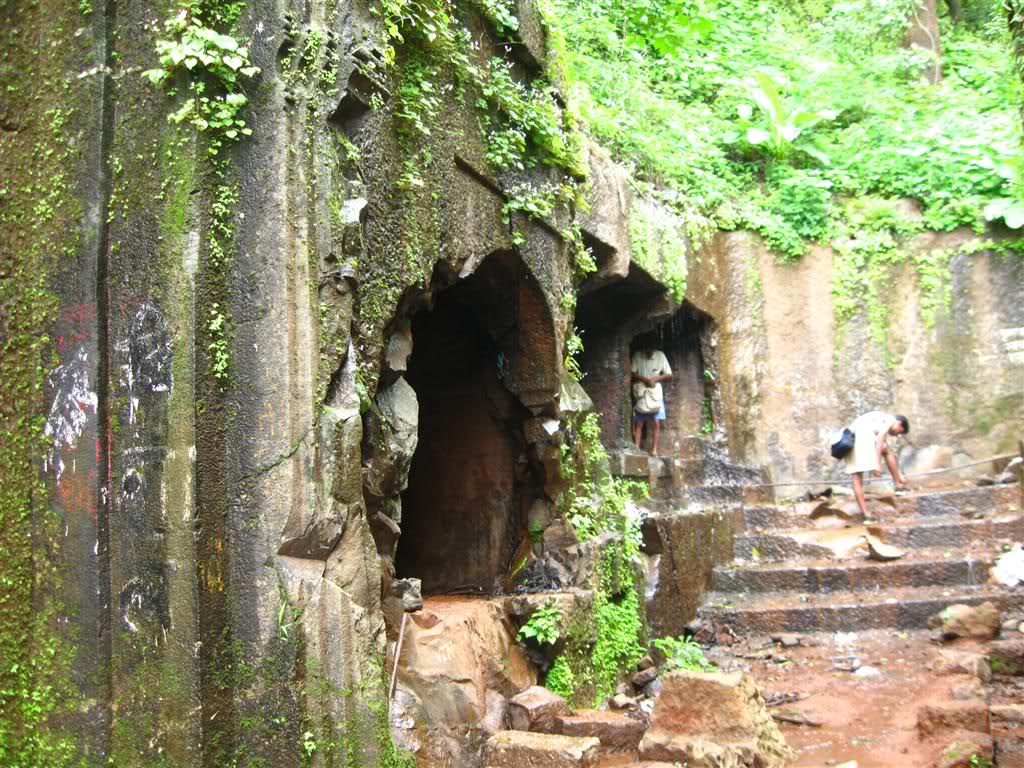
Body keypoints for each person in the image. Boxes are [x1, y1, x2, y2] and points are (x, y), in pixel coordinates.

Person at [844, 411, 910, 518]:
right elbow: (880, 439)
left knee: (856, 477)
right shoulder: (890, 419)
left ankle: (866, 515)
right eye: (899, 432)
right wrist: (877, 464)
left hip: (848, 439)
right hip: (861, 436)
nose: (897, 435)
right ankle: (898, 486)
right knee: (887, 451)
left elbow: (880, 441)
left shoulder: (877, 419)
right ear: (899, 424)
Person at [631, 336, 672, 455]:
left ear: (655, 349)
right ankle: (637, 448)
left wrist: (656, 378)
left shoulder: (660, 355)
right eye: (646, 350)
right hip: (642, 392)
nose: (649, 353)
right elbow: (632, 373)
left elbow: (669, 375)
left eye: (651, 350)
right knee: (639, 422)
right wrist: (644, 380)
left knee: (656, 421)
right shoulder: (638, 356)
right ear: (643, 348)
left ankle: (654, 450)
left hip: (655, 393)